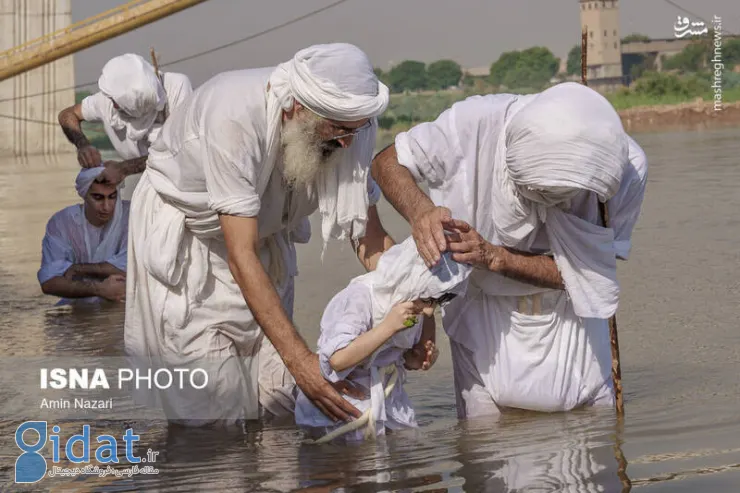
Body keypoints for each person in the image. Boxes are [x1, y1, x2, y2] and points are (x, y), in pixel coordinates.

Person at [121, 43, 401, 428]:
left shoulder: (351, 127)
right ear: (296, 108)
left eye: (355, 130)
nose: (347, 143)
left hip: (263, 242)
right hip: (193, 249)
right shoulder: (234, 114)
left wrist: (413, 309)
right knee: (211, 409)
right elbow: (241, 254)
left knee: (280, 400)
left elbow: (367, 234)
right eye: (337, 129)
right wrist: (301, 361)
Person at [371, 82, 648, 418]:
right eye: (540, 193)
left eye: (561, 197)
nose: (548, 207)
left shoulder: (623, 167)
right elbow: (387, 162)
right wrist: (421, 212)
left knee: (595, 425)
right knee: (484, 440)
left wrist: (495, 257)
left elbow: (593, 273)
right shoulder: (474, 124)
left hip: (573, 314)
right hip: (481, 309)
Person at [295, 237, 470, 443]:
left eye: (439, 301)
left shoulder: (414, 303)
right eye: (428, 300)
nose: (430, 309)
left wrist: (414, 359)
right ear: (410, 281)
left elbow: (399, 357)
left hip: (389, 403)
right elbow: (336, 359)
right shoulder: (360, 298)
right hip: (342, 405)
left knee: (407, 457)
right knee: (346, 463)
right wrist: (387, 327)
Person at [58, 53, 193, 200]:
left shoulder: (175, 87)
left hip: (186, 186)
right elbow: (68, 115)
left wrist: (124, 169)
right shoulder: (109, 100)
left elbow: (180, 153)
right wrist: (83, 145)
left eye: (116, 102)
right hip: (150, 183)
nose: (113, 104)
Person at [38, 167, 129, 305]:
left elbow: (132, 268)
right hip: (81, 305)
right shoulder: (62, 223)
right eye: (98, 198)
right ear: (84, 195)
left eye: (112, 197)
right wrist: (100, 289)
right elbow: (49, 281)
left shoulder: (132, 215)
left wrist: (79, 269)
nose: (107, 207)